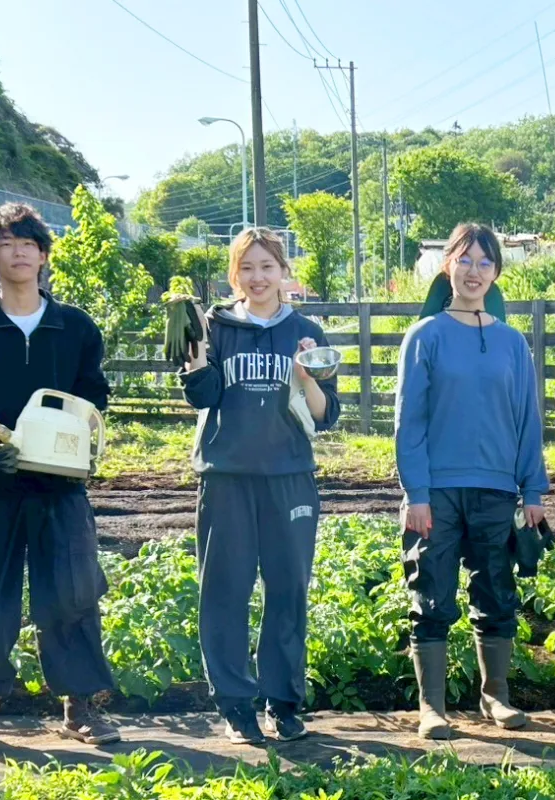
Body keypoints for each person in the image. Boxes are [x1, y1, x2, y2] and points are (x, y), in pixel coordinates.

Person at [0, 203, 120, 755]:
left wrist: (66, 439)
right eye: (6, 244)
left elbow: (94, 394)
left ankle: (81, 707)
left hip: (60, 487)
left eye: (29, 243)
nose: (19, 252)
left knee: (71, 595)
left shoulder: (76, 327)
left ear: (43, 255)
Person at [181, 227, 341, 744]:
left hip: (290, 478)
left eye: (267, 266)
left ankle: (283, 702)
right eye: (247, 267)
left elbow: (327, 415)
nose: (257, 277)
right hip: (226, 477)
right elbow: (201, 396)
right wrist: (196, 355)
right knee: (225, 591)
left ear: (283, 272)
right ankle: (236, 706)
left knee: (288, 591)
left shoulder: (307, 331)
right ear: (235, 274)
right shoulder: (215, 326)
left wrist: (309, 374)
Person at [396, 222, 548, 740]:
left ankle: (495, 697)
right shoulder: (426, 336)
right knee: (431, 594)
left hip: (497, 488)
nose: (474, 271)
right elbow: (408, 421)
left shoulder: (511, 342)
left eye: (485, 262)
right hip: (437, 490)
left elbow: (529, 420)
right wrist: (415, 493)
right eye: (464, 260)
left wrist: (533, 490)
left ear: (497, 272)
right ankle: (431, 706)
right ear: (448, 267)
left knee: (496, 591)